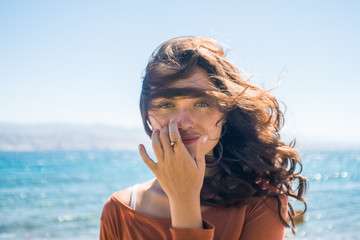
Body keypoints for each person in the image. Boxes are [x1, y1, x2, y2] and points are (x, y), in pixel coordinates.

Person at [100, 36, 307, 240]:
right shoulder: (120, 210)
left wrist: (184, 200)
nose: (184, 123)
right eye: (166, 105)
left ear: (225, 112)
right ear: (147, 115)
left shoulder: (260, 204)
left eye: (201, 103)